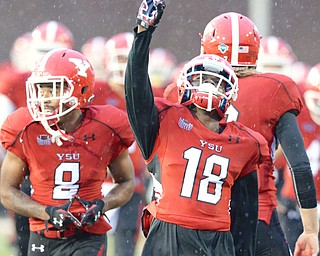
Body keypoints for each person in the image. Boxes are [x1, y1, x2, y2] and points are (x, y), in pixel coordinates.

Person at [125, 1, 272, 255]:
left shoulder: (246, 142)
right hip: (169, 234)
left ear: (230, 91)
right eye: (201, 79)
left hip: (217, 238)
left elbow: (245, 214)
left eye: (216, 82)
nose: (208, 87)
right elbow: (135, 88)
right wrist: (143, 32)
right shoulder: (165, 120)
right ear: (186, 84)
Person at [200, 12, 319, 256]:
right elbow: (300, 166)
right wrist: (310, 230)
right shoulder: (274, 89)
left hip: (202, 220)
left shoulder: (184, 91)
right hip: (257, 220)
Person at [0, 48, 135, 256]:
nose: (44, 98)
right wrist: (47, 212)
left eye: (52, 89)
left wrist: (102, 205)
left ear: (79, 90)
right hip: (44, 233)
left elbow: (126, 182)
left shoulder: (106, 126)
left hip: (88, 235)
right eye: (41, 89)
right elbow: (7, 191)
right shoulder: (25, 127)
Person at [82, 32, 147, 256]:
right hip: (96, 181)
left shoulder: (148, 95)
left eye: (129, 58)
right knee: (88, 242)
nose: (126, 65)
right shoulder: (96, 91)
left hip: (131, 181)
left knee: (126, 240)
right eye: (120, 58)